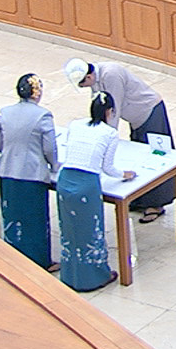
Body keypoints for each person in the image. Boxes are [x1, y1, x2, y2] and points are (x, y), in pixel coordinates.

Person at [64, 58, 176, 222]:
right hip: (135, 119)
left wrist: (105, 137)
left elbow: (112, 111)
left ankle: (156, 204)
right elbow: (99, 108)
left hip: (149, 112)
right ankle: (141, 199)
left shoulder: (111, 75)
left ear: (88, 77)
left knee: (155, 158)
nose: (84, 87)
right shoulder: (95, 80)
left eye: (83, 84)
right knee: (139, 158)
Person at [56, 92, 131, 291]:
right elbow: (108, 167)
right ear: (110, 111)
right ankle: (94, 277)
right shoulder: (110, 133)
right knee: (91, 231)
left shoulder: (75, 125)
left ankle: (70, 274)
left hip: (65, 181)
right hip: (86, 185)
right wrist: (124, 174)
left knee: (69, 230)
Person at [0, 74, 58, 270]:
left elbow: (0, 143)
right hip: (32, 173)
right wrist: (54, 166)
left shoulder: (5, 113)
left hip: (8, 171)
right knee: (34, 220)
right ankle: (39, 261)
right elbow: (49, 148)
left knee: (12, 216)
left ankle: (13, 258)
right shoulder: (42, 115)